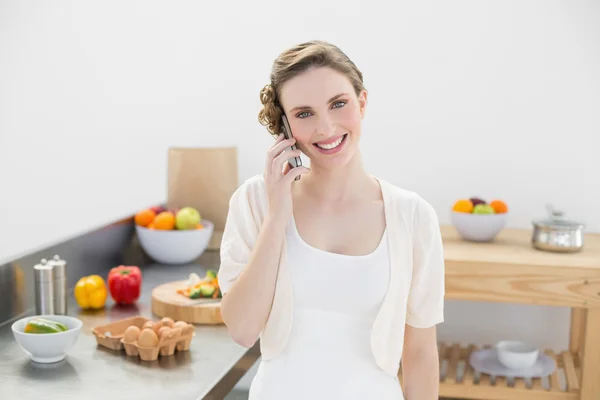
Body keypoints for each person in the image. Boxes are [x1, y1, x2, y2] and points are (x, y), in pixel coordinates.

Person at [217, 40, 445, 400]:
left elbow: (419, 353)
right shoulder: (256, 201)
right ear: (285, 126)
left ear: (362, 102)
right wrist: (278, 215)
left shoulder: (413, 217)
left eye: (338, 104)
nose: (326, 127)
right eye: (304, 113)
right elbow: (243, 330)